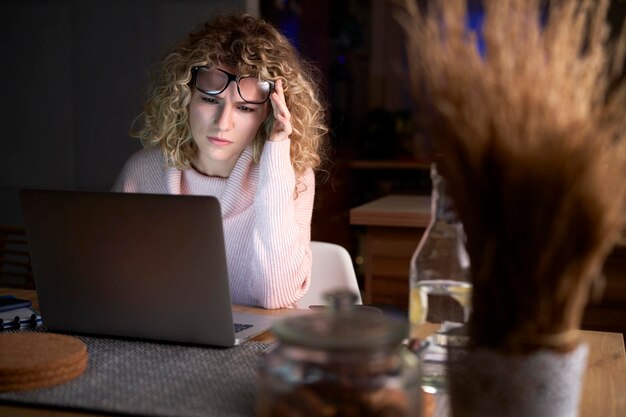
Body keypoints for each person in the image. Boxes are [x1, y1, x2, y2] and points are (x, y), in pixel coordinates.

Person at [113, 13, 328, 309]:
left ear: (269, 113)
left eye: (244, 108)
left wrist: (276, 152)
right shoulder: (143, 171)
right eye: (210, 100)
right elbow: (115, 285)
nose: (223, 123)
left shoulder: (291, 177)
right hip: (161, 344)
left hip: (258, 348)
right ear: (185, 97)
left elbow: (275, 296)